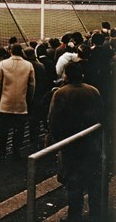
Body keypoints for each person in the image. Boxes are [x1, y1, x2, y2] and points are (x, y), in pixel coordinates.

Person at [48, 62, 103, 222]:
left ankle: (74, 216)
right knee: (93, 181)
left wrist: (59, 143)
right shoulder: (93, 91)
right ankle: (96, 214)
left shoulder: (60, 93)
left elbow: (53, 121)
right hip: (91, 143)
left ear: (66, 75)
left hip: (71, 145)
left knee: (74, 182)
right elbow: (100, 115)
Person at [0, 44, 35, 159]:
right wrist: (28, 99)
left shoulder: (3, 63)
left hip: (5, 102)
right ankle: (15, 151)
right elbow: (32, 85)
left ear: (11, 51)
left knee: (4, 129)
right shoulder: (28, 65)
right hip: (21, 103)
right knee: (19, 129)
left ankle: (2, 151)